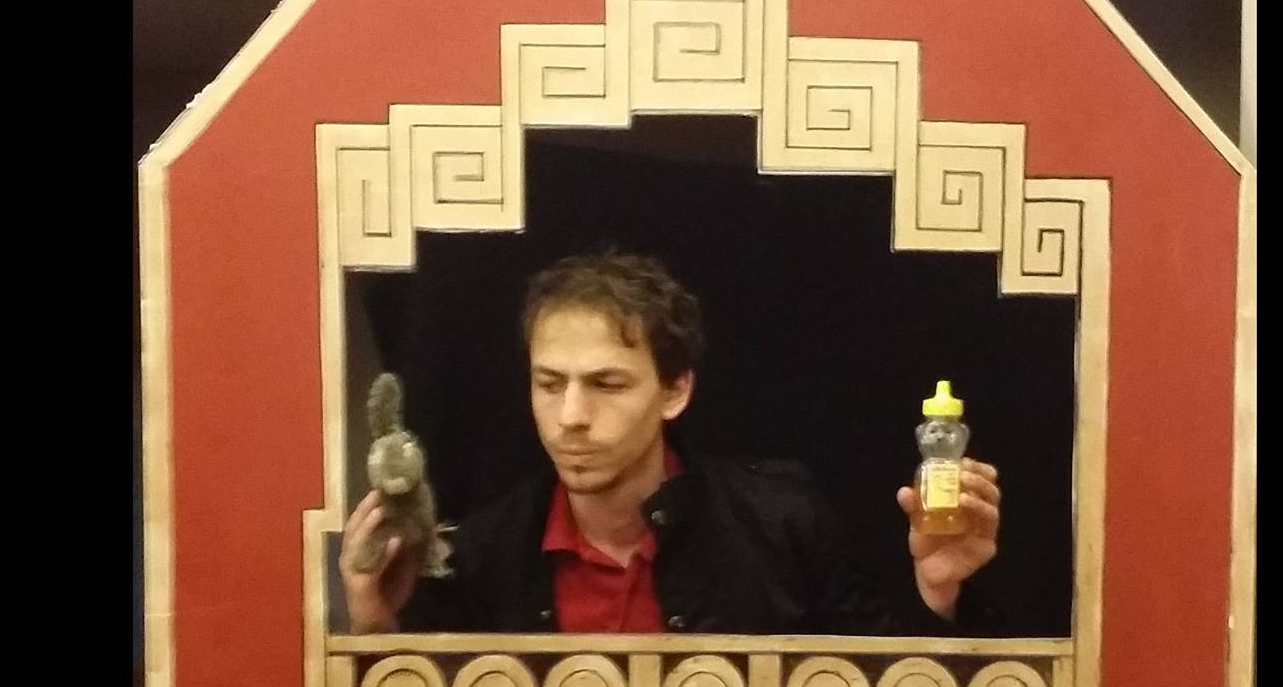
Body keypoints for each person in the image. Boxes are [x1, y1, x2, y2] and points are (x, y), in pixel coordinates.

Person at [339, 249, 1002, 634]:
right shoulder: (480, 556)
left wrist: (937, 593)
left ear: (675, 390)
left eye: (607, 384)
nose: (571, 416)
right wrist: (372, 622)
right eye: (549, 383)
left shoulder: (781, 527)